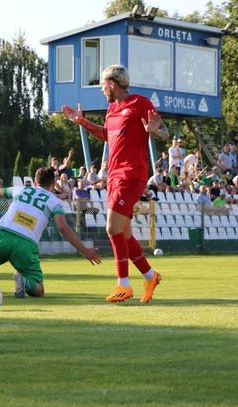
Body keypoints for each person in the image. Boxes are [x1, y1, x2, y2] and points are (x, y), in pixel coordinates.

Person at [62, 64, 169, 303]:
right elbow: (106, 135)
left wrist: (154, 131)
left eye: (102, 85)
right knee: (124, 231)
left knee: (112, 227)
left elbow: (164, 132)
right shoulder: (111, 110)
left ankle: (123, 284)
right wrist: (82, 121)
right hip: (114, 176)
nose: (101, 89)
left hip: (132, 174)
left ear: (112, 83)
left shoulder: (139, 103)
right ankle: (150, 276)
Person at [0, 167, 101, 298]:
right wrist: (85, 251)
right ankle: (23, 280)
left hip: (4, 235)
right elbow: (63, 228)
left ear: (35, 182)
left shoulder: (21, 189)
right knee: (39, 289)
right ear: (53, 184)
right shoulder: (55, 202)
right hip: (27, 244)